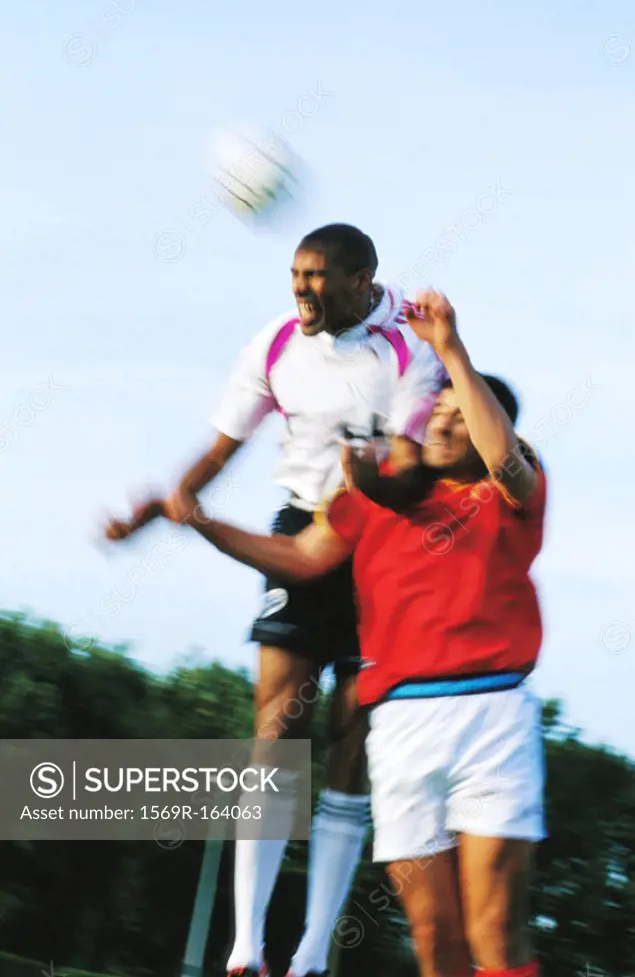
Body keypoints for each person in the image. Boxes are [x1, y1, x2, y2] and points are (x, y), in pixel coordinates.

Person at [156, 290, 547, 977]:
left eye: (462, 414)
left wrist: (451, 350)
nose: (443, 422)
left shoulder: (511, 492)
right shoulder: (379, 496)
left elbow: (504, 457)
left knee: (495, 928)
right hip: (399, 726)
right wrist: (204, 522)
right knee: (435, 937)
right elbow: (301, 558)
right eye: (440, 411)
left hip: (491, 716)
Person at [104, 224, 444, 977]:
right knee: (273, 732)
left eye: (319, 275)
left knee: (350, 740)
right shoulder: (274, 345)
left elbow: (418, 470)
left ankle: (313, 954)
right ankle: (245, 949)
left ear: (363, 280)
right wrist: (165, 505)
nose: (302, 288)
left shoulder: (409, 350)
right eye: (295, 273)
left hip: (381, 546)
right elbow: (222, 447)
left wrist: (372, 480)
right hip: (298, 532)